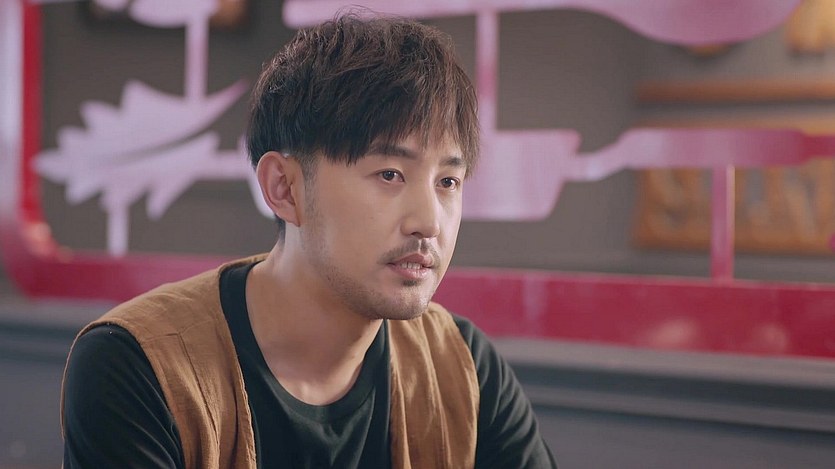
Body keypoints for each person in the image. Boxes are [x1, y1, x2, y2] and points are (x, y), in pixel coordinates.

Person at [61, 13, 557, 469]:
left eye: (448, 182)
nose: (429, 221)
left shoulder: (461, 366)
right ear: (284, 188)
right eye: (389, 174)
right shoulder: (138, 364)